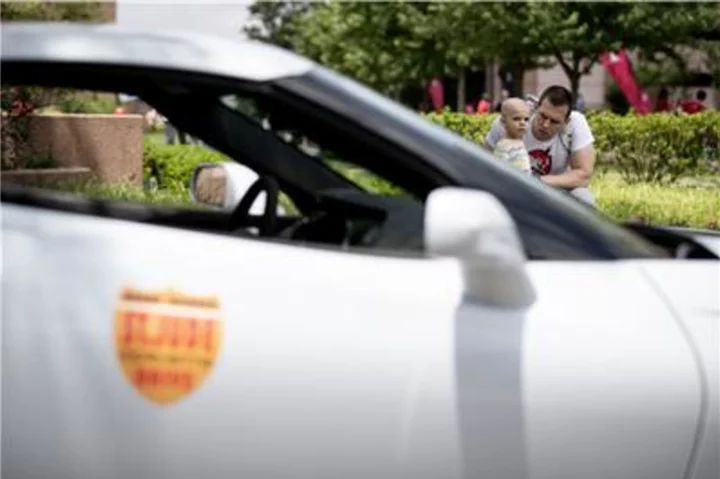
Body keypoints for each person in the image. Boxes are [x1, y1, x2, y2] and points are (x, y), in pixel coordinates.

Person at [484, 85, 596, 206]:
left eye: (554, 121)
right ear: (537, 107)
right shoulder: (512, 120)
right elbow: (483, 160)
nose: (546, 125)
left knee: (584, 198)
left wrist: (536, 181)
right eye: (543, 116)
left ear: (566, 121)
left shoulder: (575, 123)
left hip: (556, 190)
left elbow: (583, 175)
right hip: (513, 190)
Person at [491, 98, 532, 175]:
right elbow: (500, 174)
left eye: (526, 119)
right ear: (503, 122)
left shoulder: (519, 142)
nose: (522, 123)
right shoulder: (503, 146)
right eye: (516, 119)